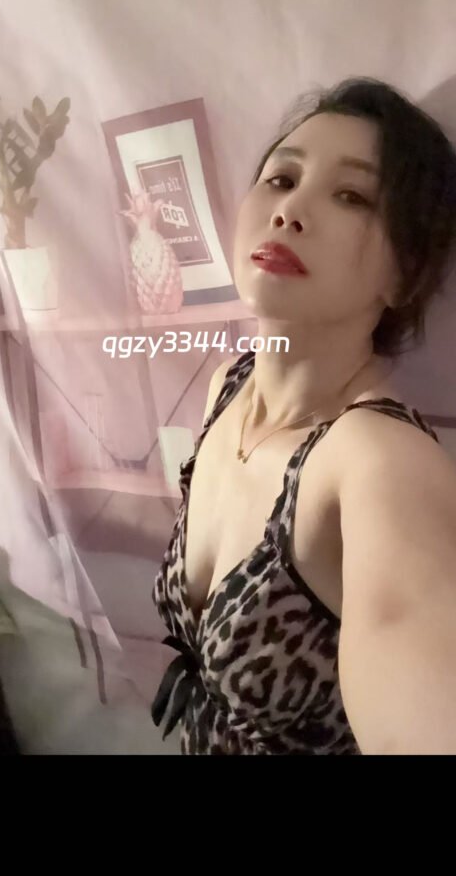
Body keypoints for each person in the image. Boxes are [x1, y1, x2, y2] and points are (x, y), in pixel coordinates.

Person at [151, 77, 456, 755]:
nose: (289, 211)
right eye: (281, 179)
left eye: (351, 196)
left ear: (405, 272)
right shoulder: (226, 388)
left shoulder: (377, 460)